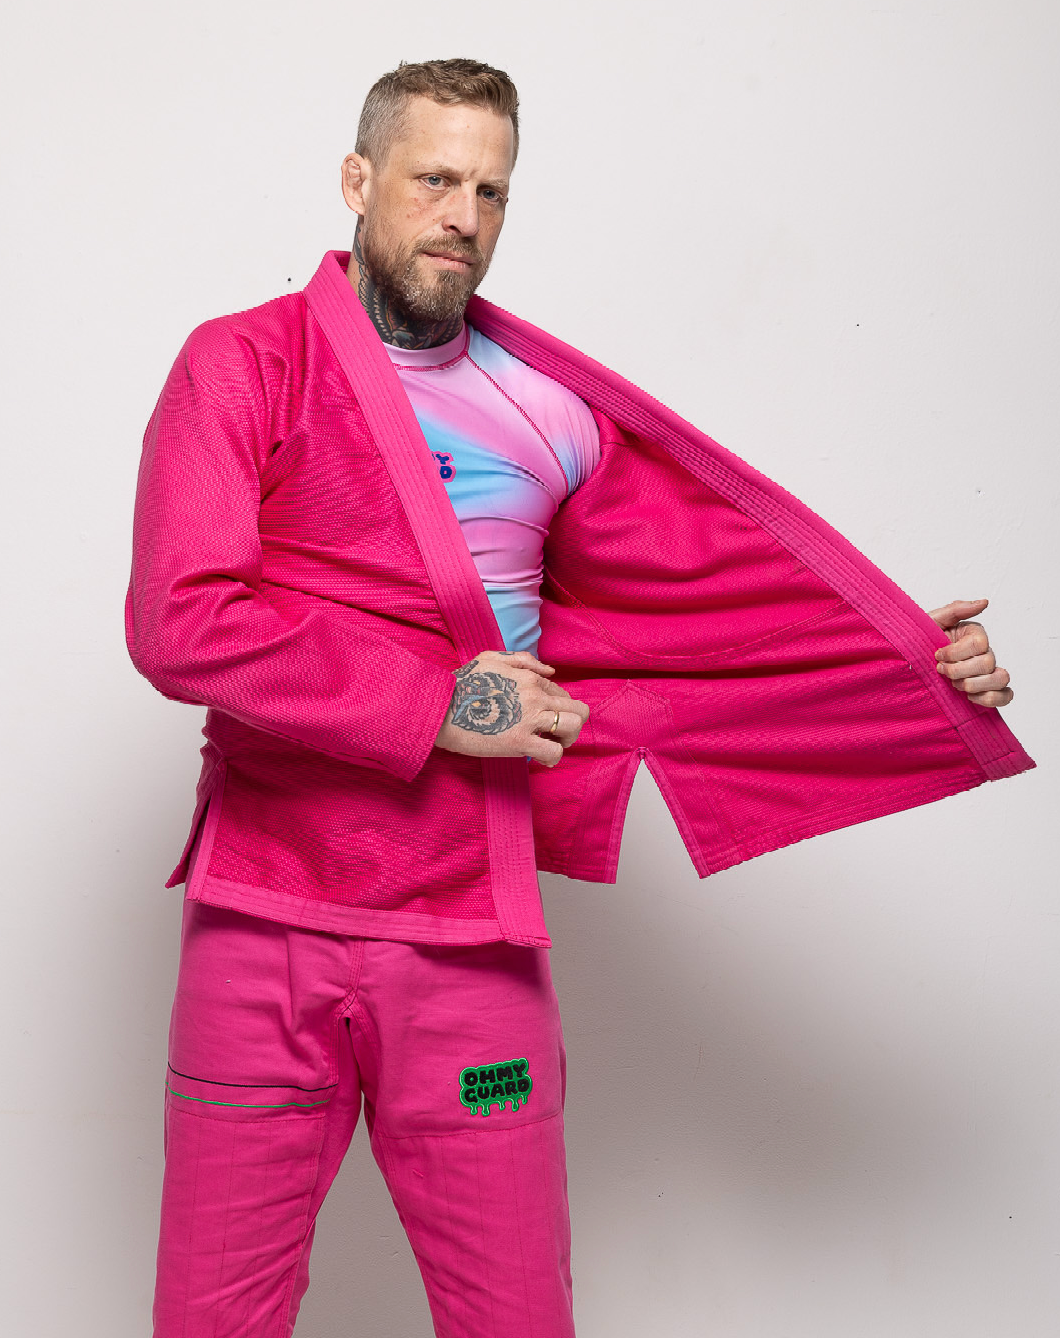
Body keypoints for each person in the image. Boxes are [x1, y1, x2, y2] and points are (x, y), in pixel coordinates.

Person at [127, 58, 1029, 1338]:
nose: (462, 214)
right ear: (357, 181)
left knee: (515, 1320)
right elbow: (181, 620)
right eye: (435, 178)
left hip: (472, 934)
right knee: (209, 1320)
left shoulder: (547, 408)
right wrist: (437, 700)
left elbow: (678, 629)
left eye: (490, 189)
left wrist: (901, 657)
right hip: (262, 920)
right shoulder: (240, 366)